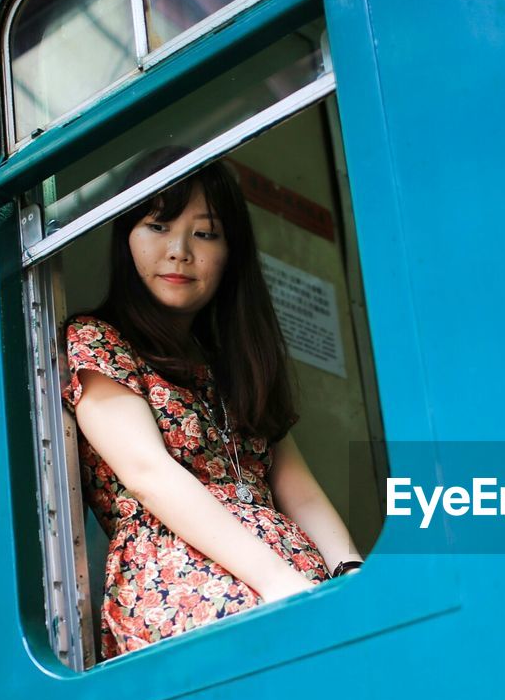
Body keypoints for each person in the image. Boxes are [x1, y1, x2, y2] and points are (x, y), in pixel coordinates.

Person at [63, 152, 362, 661]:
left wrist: (351, 575)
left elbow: (299, 491)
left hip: (293, 581)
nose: (178, 251)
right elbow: (147, 473)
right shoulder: (98, 341)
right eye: (157, 225)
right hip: (180, 582)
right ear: (125, 238)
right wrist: (277, 582)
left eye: (205, 233)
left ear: (231, 252)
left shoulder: (234, 364)